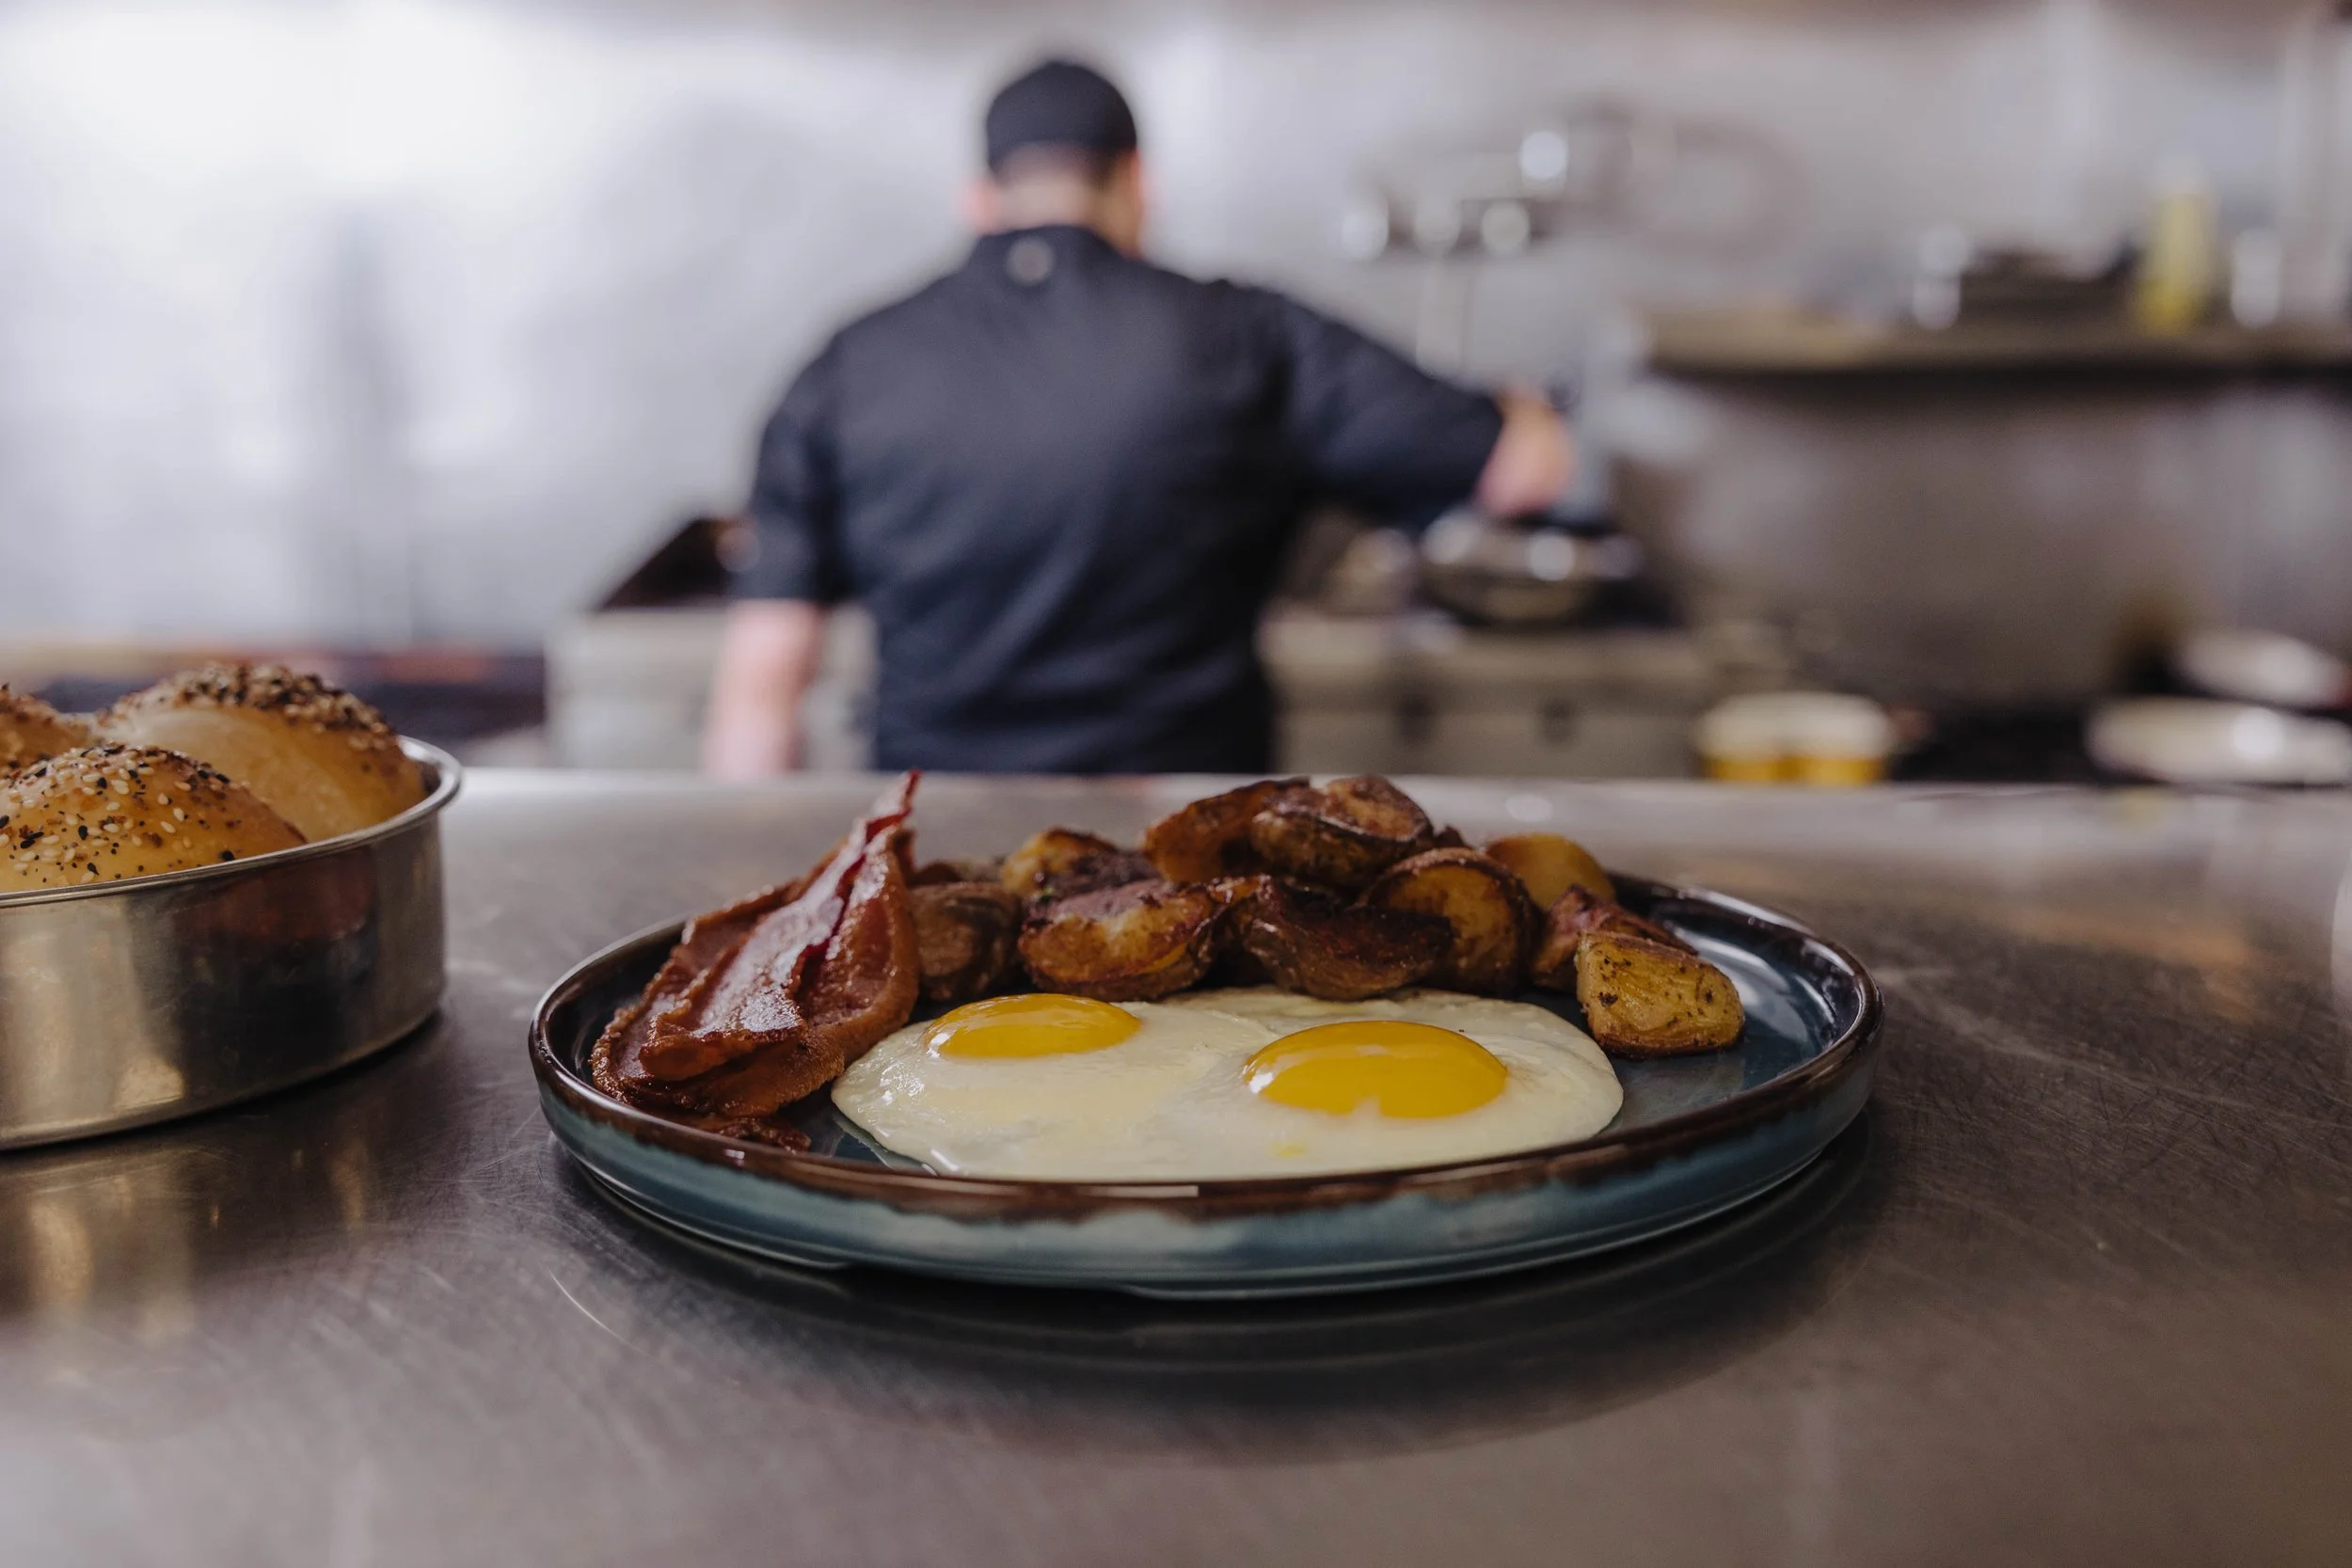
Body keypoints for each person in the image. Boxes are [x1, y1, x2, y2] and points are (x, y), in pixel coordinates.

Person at [704, 58, 1572, 777]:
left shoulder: (851, 362)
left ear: (981, 199)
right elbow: (1529, 467)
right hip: (1184, 863)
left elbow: (761, 694)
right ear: (1135, 183)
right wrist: (1523, 407)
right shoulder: (1249, 333)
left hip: (937, 855)